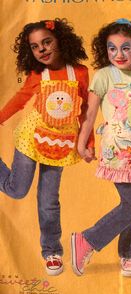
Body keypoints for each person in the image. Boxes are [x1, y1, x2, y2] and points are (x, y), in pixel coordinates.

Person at [0, 18, 94, 276]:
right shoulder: (37, 74)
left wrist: (88, 142)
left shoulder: (81, 73)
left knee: (48, 201)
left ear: (60, 40)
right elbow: (20, 100)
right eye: (34, 46)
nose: (41, 49)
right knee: (18, 190)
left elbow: (86, 110)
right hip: (31, 138)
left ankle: (52, 251)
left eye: (46, 42)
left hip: (60, 144)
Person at [71, 18, 131, 277]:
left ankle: (129, 255)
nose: (118, 54)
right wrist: (81, 143)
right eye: (112, 48)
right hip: (118, 151)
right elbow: (90, 113)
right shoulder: (104, 76)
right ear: (104, 50)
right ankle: (87, 240)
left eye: (126, 48)